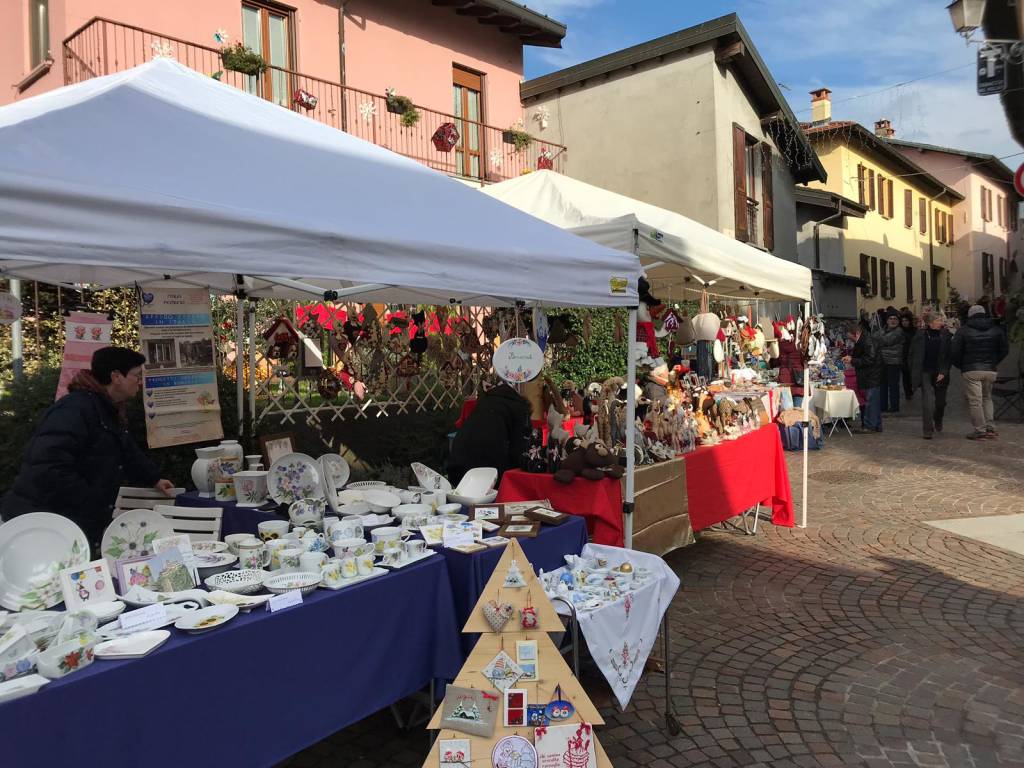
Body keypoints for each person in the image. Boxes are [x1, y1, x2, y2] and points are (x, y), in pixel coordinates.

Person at [2, 347, 174, 554]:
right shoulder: (75, 409)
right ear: (116, 376)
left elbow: (126, 450)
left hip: (70, 518)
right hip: (42, 524)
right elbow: (48, 467)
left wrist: (153, 478)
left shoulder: (108, 409)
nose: (140, 382)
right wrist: (91, 499)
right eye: (137, 376)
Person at [448, 374, 530, 486]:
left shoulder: (485, 400)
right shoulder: (520, 408)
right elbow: (517, 447)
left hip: (459, 461)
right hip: (487, 470)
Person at [951, 304, 1009, 440]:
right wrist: (994, 362)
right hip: (990, 370)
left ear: (970, 316)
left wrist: (962, 365)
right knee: (987, 398)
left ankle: (980, 430)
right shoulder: (996, 329)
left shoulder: (963, 330)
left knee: (975, 401)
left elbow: (954, 352)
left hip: (971, 370)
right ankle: (990, 428)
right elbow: (1005, 349)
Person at [909, 311, 951, 439]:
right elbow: (912, 354)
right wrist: (913, 370)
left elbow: (949, 356)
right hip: (925, 371)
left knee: (940, 403)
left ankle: (938, 419)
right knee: (928, 402)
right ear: (931, 323)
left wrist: (943, 372)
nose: (941, 322)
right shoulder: (920, 335)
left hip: (940, 372)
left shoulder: (945, 335)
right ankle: (927, 430)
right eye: (938, 320)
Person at [843, 325, 883, 432]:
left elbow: (869, 359)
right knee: (872, 401)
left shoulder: (867, 341)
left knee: (871, 401)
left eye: (850, 337)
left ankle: (869, 426)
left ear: (855, 333)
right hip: (870, 375)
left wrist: (853, 360)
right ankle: (875, 425)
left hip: (871, 375)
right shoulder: (865, 340)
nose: (850, 340)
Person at [877, 309, 905, 413]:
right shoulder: (883, 330)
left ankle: (894, 407)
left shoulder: (899, 331)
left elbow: (886, 341)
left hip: (893, 362)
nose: (893, 320)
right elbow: (875, 339)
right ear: (887, 320)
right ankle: (883, 406)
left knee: (893, 385)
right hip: (882, 362)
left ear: (898, 321)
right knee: (882, 385)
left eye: (895, 319)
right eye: (890, 318)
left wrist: (880, 338)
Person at [899, 310, 917, 400]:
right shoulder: (899, 331)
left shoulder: (914, 331)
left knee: (911, 374)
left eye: (906, 321)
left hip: (913, 356)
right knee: (905, 375)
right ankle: (907, 392)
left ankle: (911, 388)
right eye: (903, 321)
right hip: (903, 356)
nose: (904, 323)